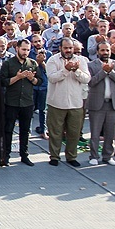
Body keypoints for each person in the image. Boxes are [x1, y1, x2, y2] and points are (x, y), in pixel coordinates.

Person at [46, 37, 91, 167]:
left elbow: (87, 79)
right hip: (56, 102)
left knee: (74, 132)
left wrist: (76, 70)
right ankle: (54, 156)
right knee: (55, 132)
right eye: (65, 48)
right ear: (60, 48)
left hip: (75, 103)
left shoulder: (81, 60)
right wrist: (65, 70)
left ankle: (71, 156)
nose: (68, 50)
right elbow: (52, 78)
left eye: (70, 48)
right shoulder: (53, 60)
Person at [0, 39, 38, 167]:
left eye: (28, 50)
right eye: (23, 49)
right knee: (8, 130)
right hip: (12, 102)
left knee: (25, 130)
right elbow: (3, 82)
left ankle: (24, 155)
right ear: (17, 48)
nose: (25, 52)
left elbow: (40, 81)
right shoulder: (8, 63)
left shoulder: (32, 63)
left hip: (27, 102)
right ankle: (6, 156)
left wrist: (32, 78)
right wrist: (17, 77)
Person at [86, 41, 115, 166]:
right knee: (95, 132)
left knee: (111, 132)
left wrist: (111, 72)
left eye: (107, 50)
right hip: (97, 103)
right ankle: (94, 156)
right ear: (98, 52)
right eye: (102, 50)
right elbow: (91, 82)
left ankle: (108, 156)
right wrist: (103, 72)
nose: (105, 53)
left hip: (113, 104)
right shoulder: (91, 65)